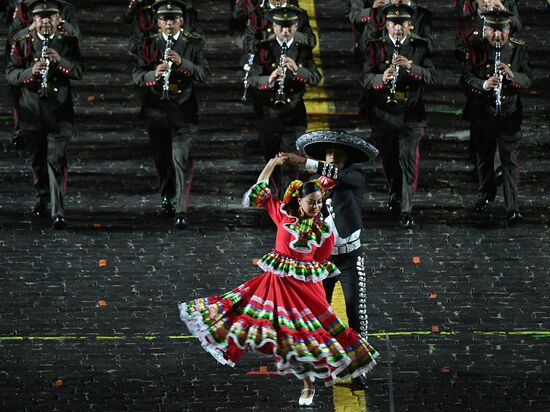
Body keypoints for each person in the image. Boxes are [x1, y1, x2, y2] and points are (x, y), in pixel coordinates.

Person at [179, 155, 379, 406]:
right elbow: (261, 190)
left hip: (306, 290)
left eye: (319, 203)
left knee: (308, 337)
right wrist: (272, 165)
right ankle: (305, 383)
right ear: (299, 200)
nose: (316, 207)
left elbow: (320, 258)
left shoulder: (323, 231)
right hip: (276, 287)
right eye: (311, 202)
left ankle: (310, 384)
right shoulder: (282, 215)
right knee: (266, 328)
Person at [283, 130, 379, 390]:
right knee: (316, 313)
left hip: (349, 258)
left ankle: (359, 368)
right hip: (322, 263)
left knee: (355, 311)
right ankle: (318, 363)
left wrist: (303, 161)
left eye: (337, 154)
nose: (332, 157)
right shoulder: (315, 185)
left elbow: (337, 176)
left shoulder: (354, 176)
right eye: (328, 153)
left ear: (348, 158)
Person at [132, 0, 210, 229]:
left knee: (180, 159)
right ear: (158, 23)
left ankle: (181, 209)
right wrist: (152, 75)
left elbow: (204, 73)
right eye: (165, 20)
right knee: (162, 160)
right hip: (156, 111)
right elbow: (136, 74)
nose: (169, 24)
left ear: (181, 22)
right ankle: (167, 194)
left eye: (173, 20)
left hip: (184, 112)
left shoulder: (193, 43)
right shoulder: (149, 44)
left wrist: (183, 63)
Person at [6, 0, 83, 229]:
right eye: (41, 18)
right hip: (32, 111)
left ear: (58, 18)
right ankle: (42, 196)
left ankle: (58, 211)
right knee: (39, 160)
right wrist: (30, 71)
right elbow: (10, 74)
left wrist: (61, 62)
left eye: (50, 17)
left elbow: (79, 71)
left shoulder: (67, 41)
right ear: (34, 20)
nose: (46, 22)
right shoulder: (21, 40)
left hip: (59, 111)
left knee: (56, 160)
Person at [360, 3, 436, 228]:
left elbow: (432, 76)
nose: (397, 29)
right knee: (390, 159)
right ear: (387, 24)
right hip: (384, 113)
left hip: (411, 114)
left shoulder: (420, 47)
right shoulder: (376, 46)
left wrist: (411, 67)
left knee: (408, 160)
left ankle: (406, 209)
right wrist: (381, 79)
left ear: (409, 25)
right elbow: (365, 78)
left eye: (402, 24)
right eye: (393, 24)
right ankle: (395, 192)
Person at [460, 9, 532, 224]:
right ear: (485, 30)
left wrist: (512, 76)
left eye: (502, 31)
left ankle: (512, 207)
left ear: (509, 30)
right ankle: (486, 194)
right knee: (484, 157)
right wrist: (484, 84)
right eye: (493, 31)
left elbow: (528, 79)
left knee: (510, 161)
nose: (498, 36)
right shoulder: (475, 49)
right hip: (483, 113)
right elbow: (465, 78)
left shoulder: (518, 50)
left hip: (509, 114)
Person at [248, 6, 321, 196]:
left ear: (296, 27)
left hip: (293, 112)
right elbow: (252, 79)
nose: (285, 31)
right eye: (281, 27)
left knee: (290, 161)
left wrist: (297, 70)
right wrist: (269, 79)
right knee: (272, 161)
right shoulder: (263, 48)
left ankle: (287, 204)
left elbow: (315, 77)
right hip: (269, 113)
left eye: (289, 27)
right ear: (274, 26)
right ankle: (279, 196)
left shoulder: (303, 49)